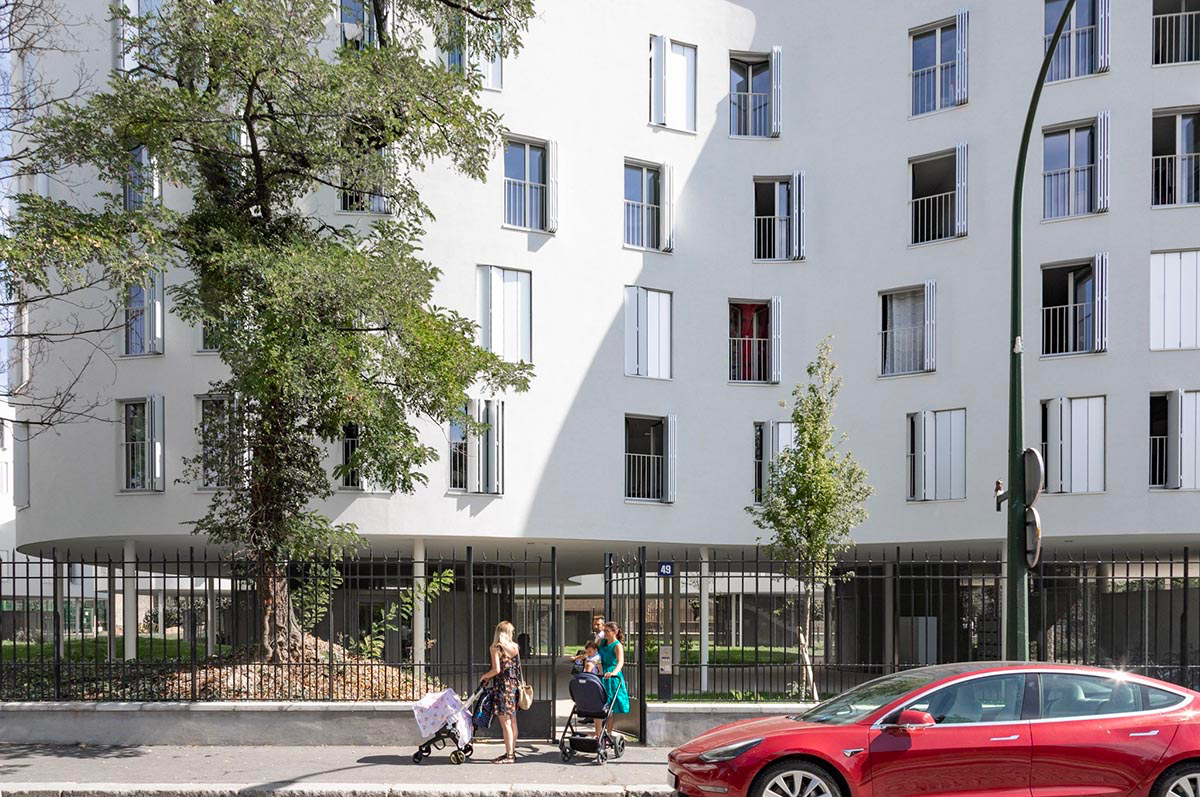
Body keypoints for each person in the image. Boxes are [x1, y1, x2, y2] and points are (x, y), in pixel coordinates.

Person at [478, 620, 521, 764]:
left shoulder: (496, 648)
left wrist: (485, 676)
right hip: (513, 686)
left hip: (502, 687)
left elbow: (496, 670)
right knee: (513, 721)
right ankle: (512, 753)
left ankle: (509, 756)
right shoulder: (515, 647)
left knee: (506, 723)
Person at [594, 621, 630, 741]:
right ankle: (598, 734)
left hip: (611, 676)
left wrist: (614, 672)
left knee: (610, 708)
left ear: (615, 632)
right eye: (604, 631)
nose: (605, 633)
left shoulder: (617, 645)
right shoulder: (602, 642)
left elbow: (620, 662)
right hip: (601, 673)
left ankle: (608, 733)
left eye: (607, 631)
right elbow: (594, 651)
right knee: (597, 706)